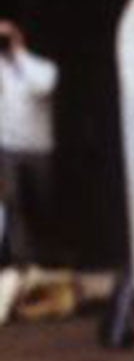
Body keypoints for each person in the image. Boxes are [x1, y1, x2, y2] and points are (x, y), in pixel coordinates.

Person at [0, 19, 57, 268]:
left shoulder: (41, 67)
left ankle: (46, 255)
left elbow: (44, 86)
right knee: (13, 203)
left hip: (38, 147)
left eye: (7, 37)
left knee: (42, 202)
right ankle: (22, 258)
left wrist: (18, 52)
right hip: (8, 147)